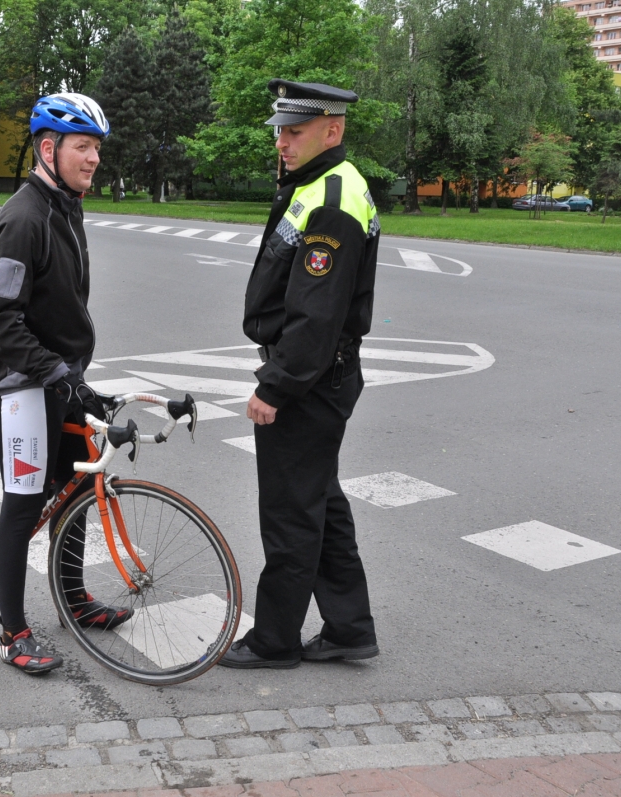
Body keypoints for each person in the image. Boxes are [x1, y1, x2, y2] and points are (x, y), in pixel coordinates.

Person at [219, 80, 381, 670]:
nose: (282, 143)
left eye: (294, 132)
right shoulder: (319, 184)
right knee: (319, 502)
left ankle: (275, 640)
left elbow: (317, 312)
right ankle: (348, 628)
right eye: (281, 132)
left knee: (290, 511)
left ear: (331, 130)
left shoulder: (332, 198)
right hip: (322, 373)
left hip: (309, 378)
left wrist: (276, 386)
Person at [0, 93, 132, 675]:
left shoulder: (67, 206)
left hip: (60, 376)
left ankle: (73, 599)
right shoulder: (22, 219)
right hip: (21, 382)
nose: (94, 159)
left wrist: (73, 377)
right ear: (49, 149)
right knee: (23, 505)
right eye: (83, 147)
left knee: (73, 488)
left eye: (97, 148)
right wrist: (51, 371)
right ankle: (12, 631)